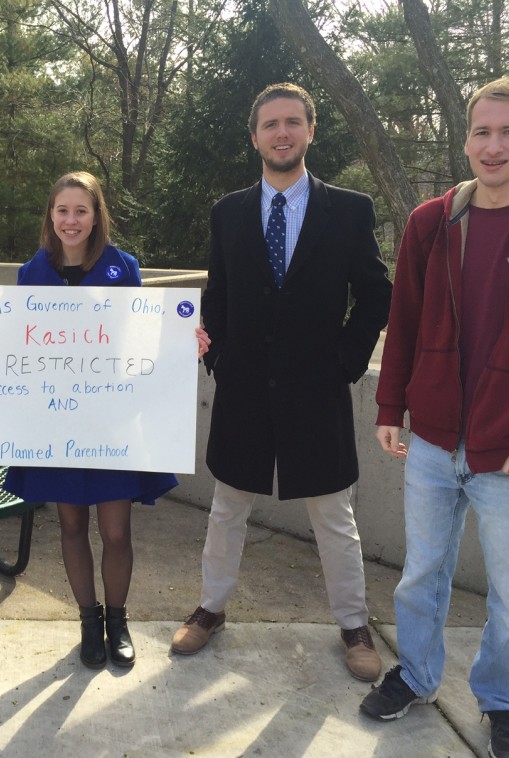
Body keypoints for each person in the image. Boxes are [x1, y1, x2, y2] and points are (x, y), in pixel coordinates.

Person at [361, 77, 509, 758]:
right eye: (482, 131)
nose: (493, 145)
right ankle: (414, 675)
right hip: (435, 440)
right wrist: (392, 408)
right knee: (422, 573)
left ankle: (504, 702)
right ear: (466, 138)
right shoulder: (432, 220)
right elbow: (405, 320)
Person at [171, 83, 392, 684]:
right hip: (243, 387)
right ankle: (211, 610)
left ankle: (353, 625)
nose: (281, 133)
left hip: (315, 388)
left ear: (310, 131)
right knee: (227, 507)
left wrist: (345, 361)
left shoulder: (349, 210)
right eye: (270, 124)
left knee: (333, 514)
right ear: (255, 137)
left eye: (292, 122)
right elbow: (216, 297)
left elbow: (376, 295)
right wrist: (218, 356)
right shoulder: (228, 211)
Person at [0, 171, 208, 670]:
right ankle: (88, 623)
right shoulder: (32, 274)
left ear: (97, 216)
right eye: (62, 210)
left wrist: (182, 341)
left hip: (113, 421)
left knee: (116, 532)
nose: (71, 221)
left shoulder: (123, 267)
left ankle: (118, 620)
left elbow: (141, 338)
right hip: (58, 422)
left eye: (81, 211)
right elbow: (19, 344)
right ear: (50, 216)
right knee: (70, 525)